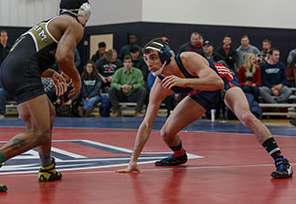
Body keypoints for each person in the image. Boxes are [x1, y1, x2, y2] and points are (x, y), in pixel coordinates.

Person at [117, 38, 293, 179]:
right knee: (166, 133)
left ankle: (282, 161)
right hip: (200, 90)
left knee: (246, 116)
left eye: (153, 58)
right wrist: (133, 161)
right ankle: (179, 155)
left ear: (165, 57)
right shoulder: (159, 86)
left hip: (223, 82)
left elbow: (216, 82)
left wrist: (184, 82)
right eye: (146, 59)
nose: (149, 63)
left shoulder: (188, 58)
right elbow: (147, 124)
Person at [0, 0, 91, 192]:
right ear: (84, 11)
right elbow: (62, 56)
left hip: (10, 71)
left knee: (48, 115)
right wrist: (76, 78)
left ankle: (47, 168)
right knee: (39, 132)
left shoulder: (50, 23)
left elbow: (29, 55)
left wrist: (50, 72)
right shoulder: (73, 25)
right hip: (22, 71)